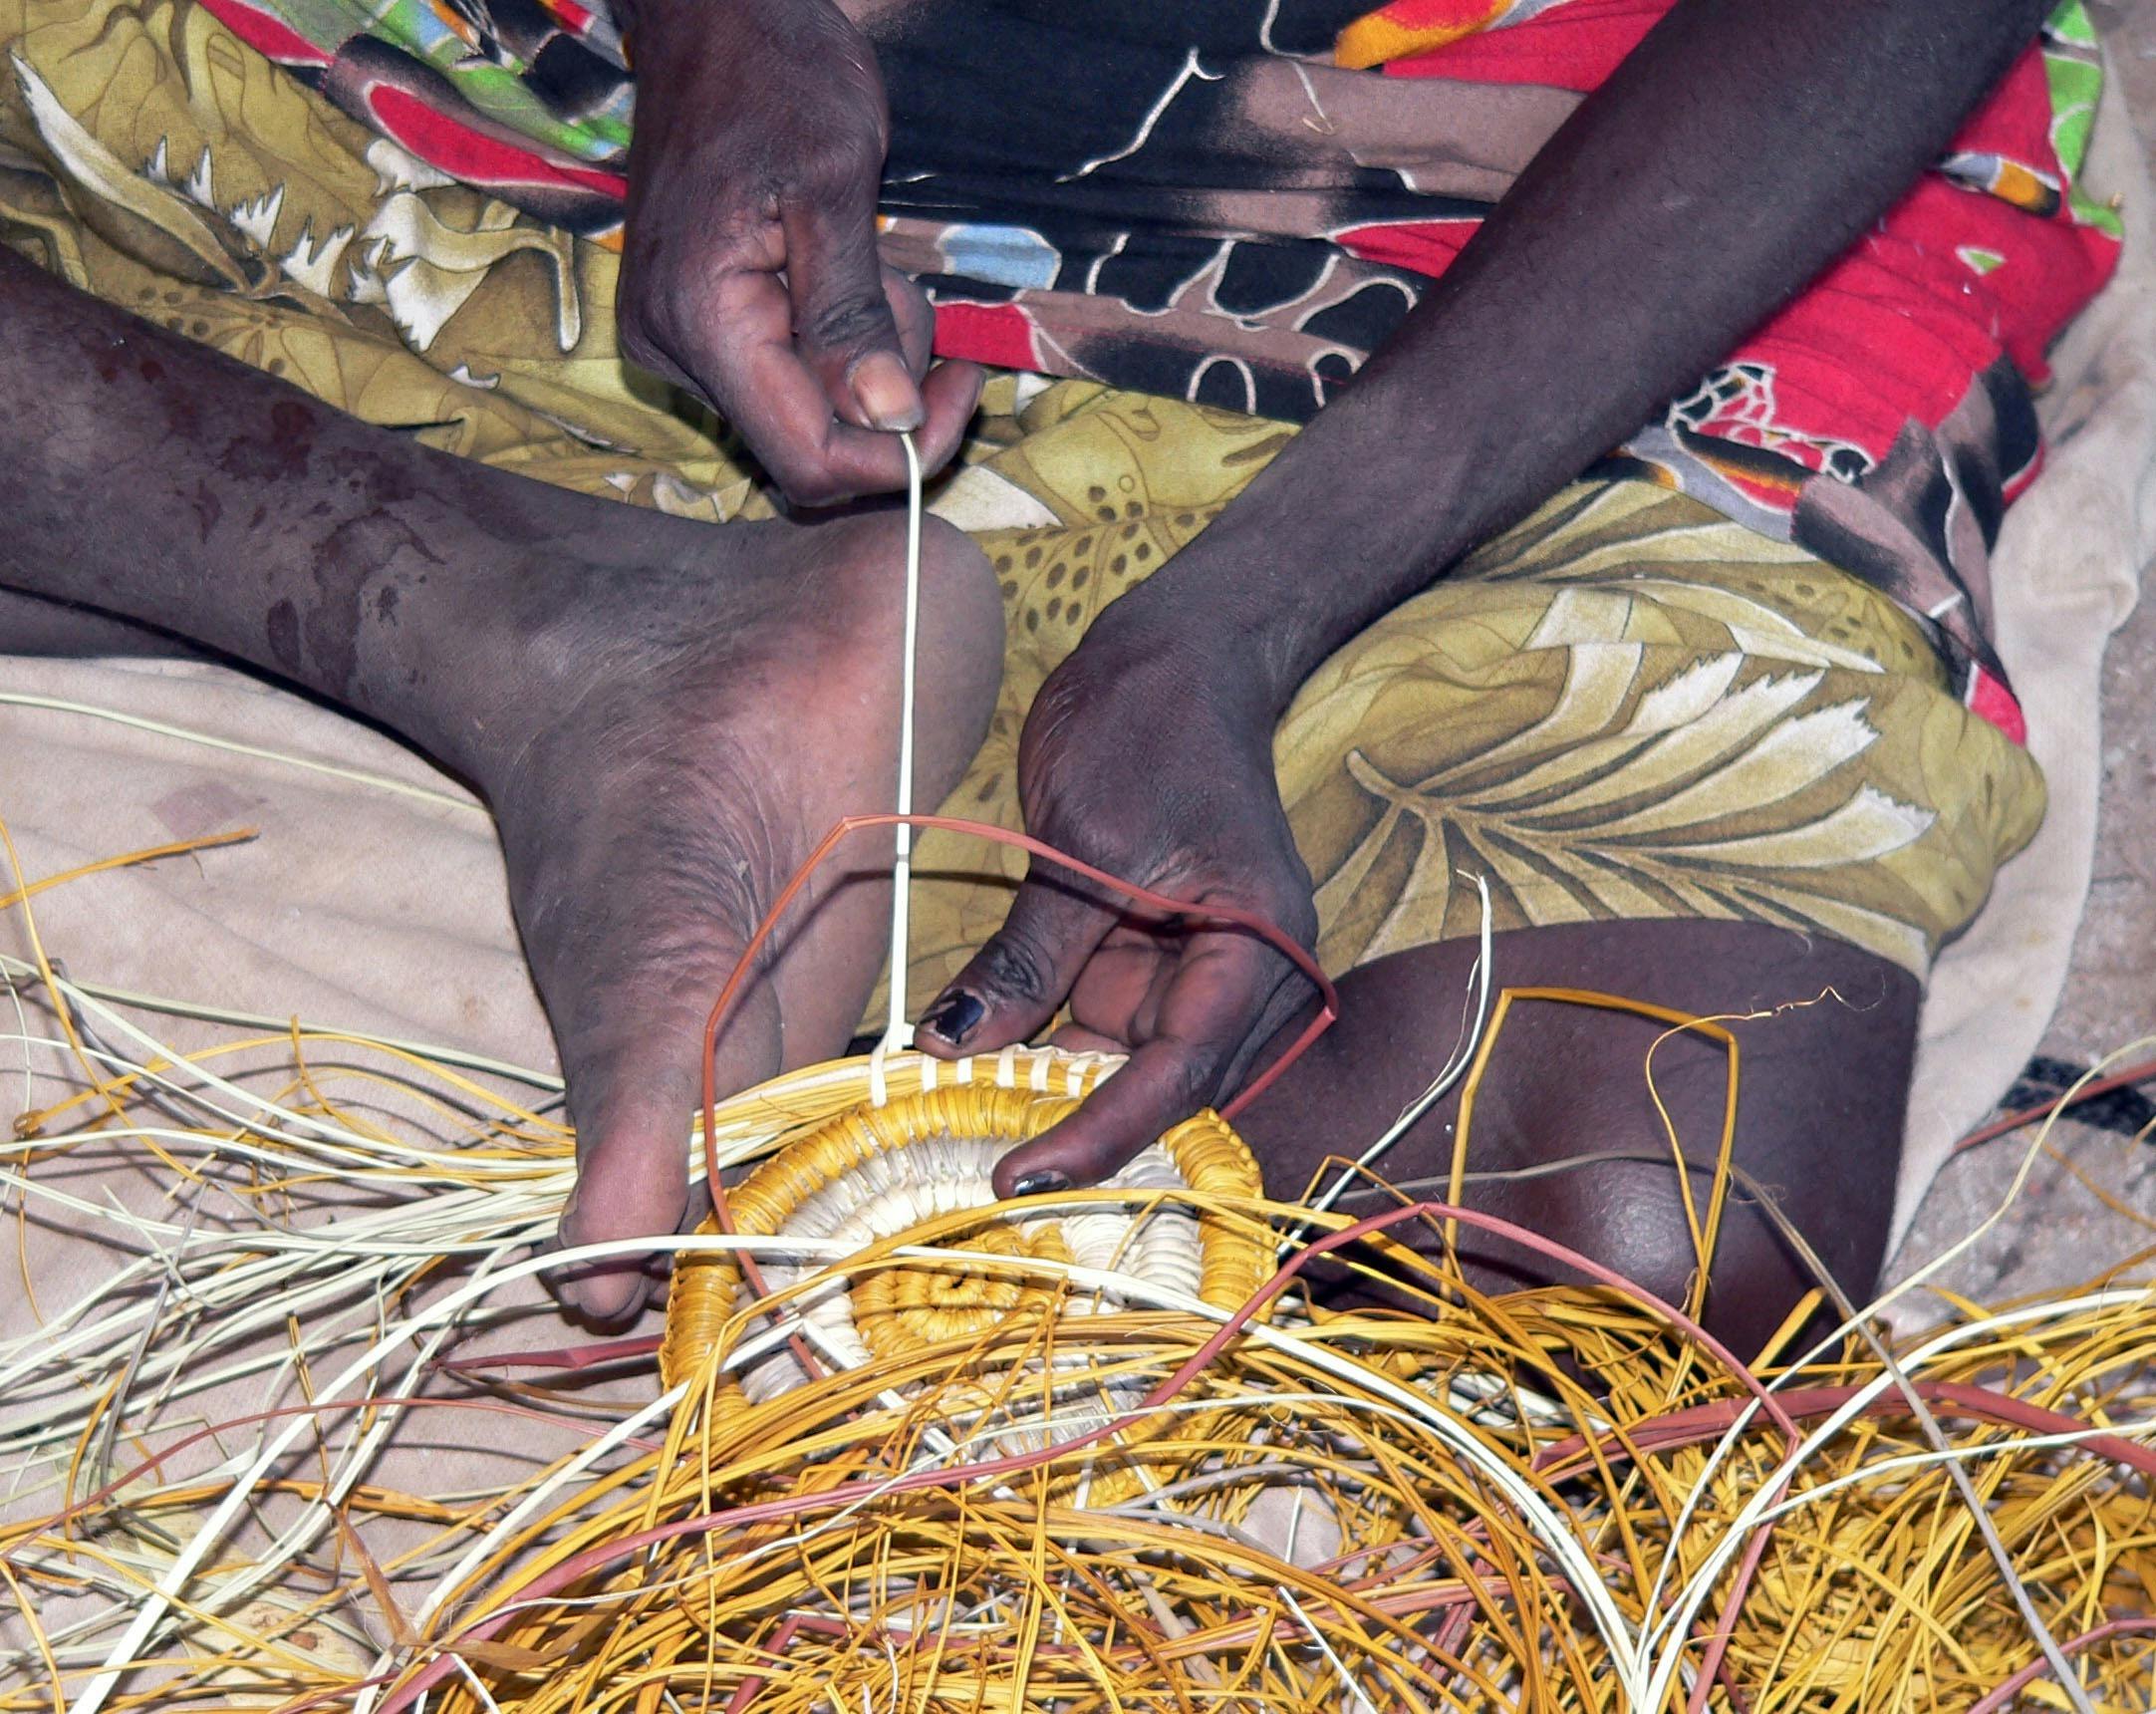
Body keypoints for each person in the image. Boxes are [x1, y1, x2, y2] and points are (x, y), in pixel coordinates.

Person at [0, 0, 2119, 1346]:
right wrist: (727, 37)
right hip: (660, 97)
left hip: (1553, 175)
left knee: (1636, 1227)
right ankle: (538, 616)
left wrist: (1250, 605)